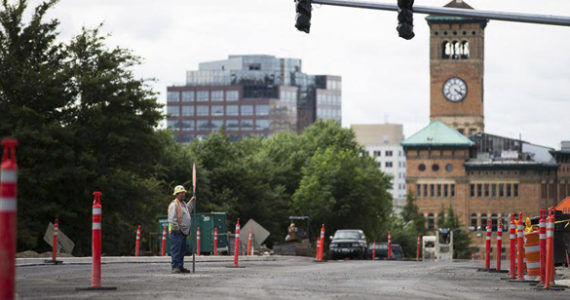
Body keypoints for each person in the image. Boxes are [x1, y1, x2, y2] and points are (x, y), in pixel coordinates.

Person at [168, 185, 195, 274]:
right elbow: (172, 219)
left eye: (184, 193)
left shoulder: (182, 204)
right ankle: (175, 267)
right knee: (176, 250)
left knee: (182, 250)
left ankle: (180, 266)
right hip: (177, 232)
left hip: (183, 232)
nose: (184, 194)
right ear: (177, 194)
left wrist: (192, 201)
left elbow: (187, 210)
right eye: (182, 193)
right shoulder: (174, 205)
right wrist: (177, 229)